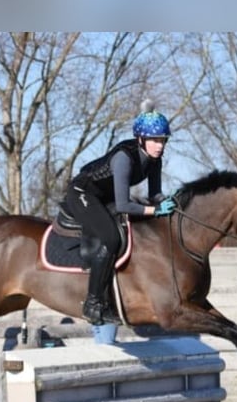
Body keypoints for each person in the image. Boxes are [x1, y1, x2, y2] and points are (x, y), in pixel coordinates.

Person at [65, 100, 176, 325]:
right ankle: (93, 303)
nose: (160, 145)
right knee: (112, 238)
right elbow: (124, 205)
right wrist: (155, 210)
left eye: (163, 140)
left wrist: (171, 205)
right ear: (141, 139)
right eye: (155, 140)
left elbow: (155, 194)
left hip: (105, 198)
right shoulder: (124, 159)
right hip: (83, 193)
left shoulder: (155, 160)